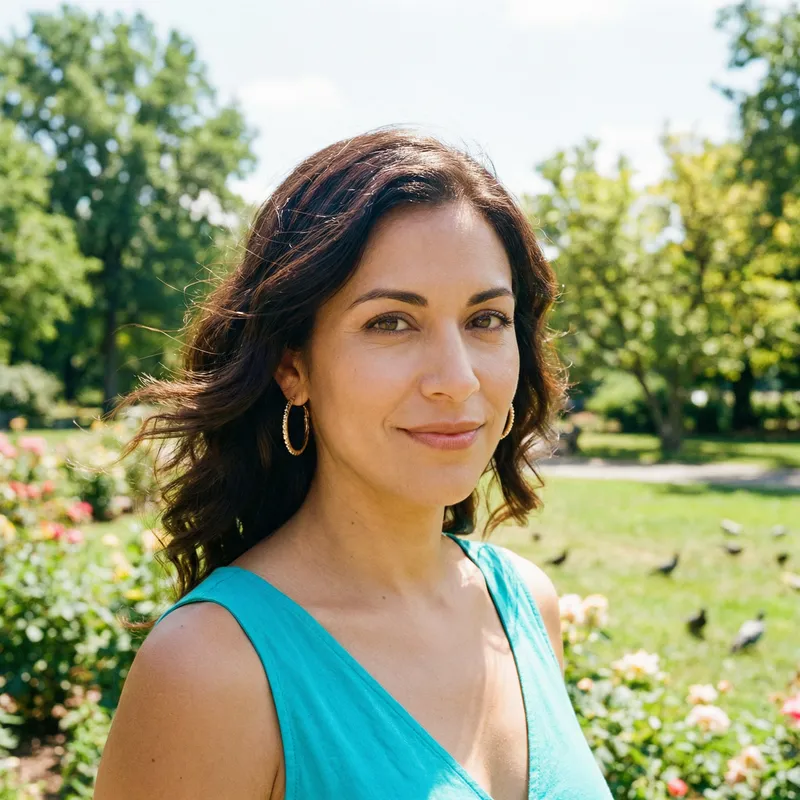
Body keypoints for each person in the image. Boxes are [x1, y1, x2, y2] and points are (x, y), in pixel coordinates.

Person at [94, 125, 613, 799]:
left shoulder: (526, 604)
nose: (456, 379)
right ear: (292, 366)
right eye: (391, 322)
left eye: (486, 320)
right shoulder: (212, 668)